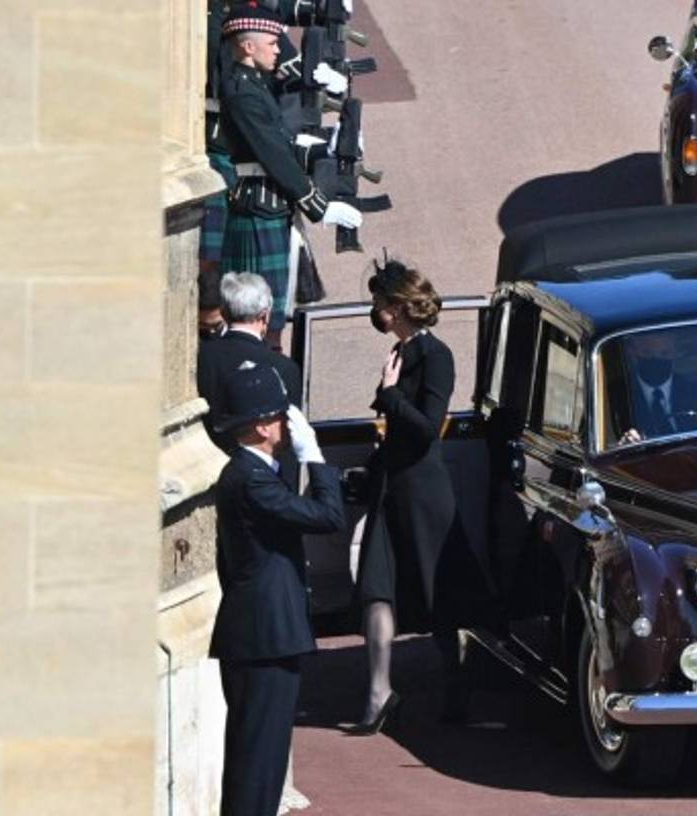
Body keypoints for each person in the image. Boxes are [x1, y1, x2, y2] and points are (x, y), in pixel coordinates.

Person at [210, 365, 345, 816]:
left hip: (261, 632)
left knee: (260, 762)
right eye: (283, 417)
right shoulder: (251, 479)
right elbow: (328, 516)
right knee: (257, 763)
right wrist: (316, 458)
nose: (289, 426)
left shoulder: (250, 472)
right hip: (263, 636)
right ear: (264, 425)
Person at [352, 258, 480, 731]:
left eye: (380, 304)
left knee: (438, 592)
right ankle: (378, 690)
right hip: (390, 485)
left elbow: (428, 426)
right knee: (376, 588)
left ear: (399, 307)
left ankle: (457, 686)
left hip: (424, 489)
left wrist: (390, 395)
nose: (376, 312)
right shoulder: (400, 351)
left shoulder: (436, 355)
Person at [216, 3, 361, 349]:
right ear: (249, 47)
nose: (279, 49)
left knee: (275, 315)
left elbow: (281, 142)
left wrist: (326, 145)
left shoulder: (256, 85)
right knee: (256, 318)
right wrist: (318, 204)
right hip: (257, 207)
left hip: (271, 205)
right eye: (273, 43)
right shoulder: (242, 92)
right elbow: (273, 154)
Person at [197, 273, 302, 460]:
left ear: (225, 313)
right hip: (262, 478)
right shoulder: (284, 368)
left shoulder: (200, 358)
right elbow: (288, 440)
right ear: (264, 316)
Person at [619, 330, 697, 445]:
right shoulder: (618, 395)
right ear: (632, 352)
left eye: (665, 353)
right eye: (647, 352)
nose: (655, 359)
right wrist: (626, 441)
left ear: (675, 353)